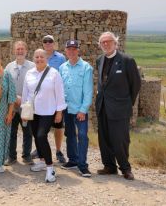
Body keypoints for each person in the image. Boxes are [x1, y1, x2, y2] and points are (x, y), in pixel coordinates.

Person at [96, 32, 141, 180]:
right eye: (103, 42)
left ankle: (125, 168)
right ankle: (109, 166)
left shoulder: (127, 60)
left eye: (109, 41)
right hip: (103, 106)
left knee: (120, 139)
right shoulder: (99, 60)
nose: (106, 44)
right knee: (104, 138)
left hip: (120, 108)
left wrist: (127, 102)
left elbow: (135, 84)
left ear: (116, 43)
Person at [22, 49, 66, 183]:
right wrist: (24, 110)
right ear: (33, 58)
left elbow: (60, 93)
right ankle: (41, 161)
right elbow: (25, 93)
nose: (39, 59)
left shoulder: (54, 74)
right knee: (36, 136)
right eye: (37, 57)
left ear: (46, 58)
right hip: (33, 112)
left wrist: (59, 112)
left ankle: (50, 167)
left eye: (42, 57)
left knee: (41, 136)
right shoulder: (29, 73)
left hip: (48, 111)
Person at [59, 40, 93, 177]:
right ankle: (73, 160)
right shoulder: (62, 68)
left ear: (78, 50)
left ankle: (83, 165)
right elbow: (60, 89)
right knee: (70, 134)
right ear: (65, 51)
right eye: (69, 49)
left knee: (83, 136)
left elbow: (88, 91)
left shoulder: (86, 68)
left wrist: (83, 110)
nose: (72, 51)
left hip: (80, 110)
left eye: (74, 49)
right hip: (67, 108)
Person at [4, 41, 34, 165]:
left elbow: (35, 85)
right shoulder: (9, 67)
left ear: (26, 51)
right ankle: (11, 156)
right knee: (11, 131)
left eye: (22, 49)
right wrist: (13, 97)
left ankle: (26, 156)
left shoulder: (32, 66)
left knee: (28, 131)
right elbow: (5, 85)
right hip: (12, 105)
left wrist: (25, 98)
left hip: (27, 105)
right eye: (18, 49)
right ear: (14, 51)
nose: (20, 51)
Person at [40, 34, 67, 164]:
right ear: (43, 44)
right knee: (41, 126)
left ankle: (58, 150)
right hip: (43, 99)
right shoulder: (40, 57)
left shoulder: (61, 58)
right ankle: (41, 149)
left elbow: (63, 77)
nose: (48, 43)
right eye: (45, 41)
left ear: (54, 43)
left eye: (50, 41)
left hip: (55, 99)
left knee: (58, 126)